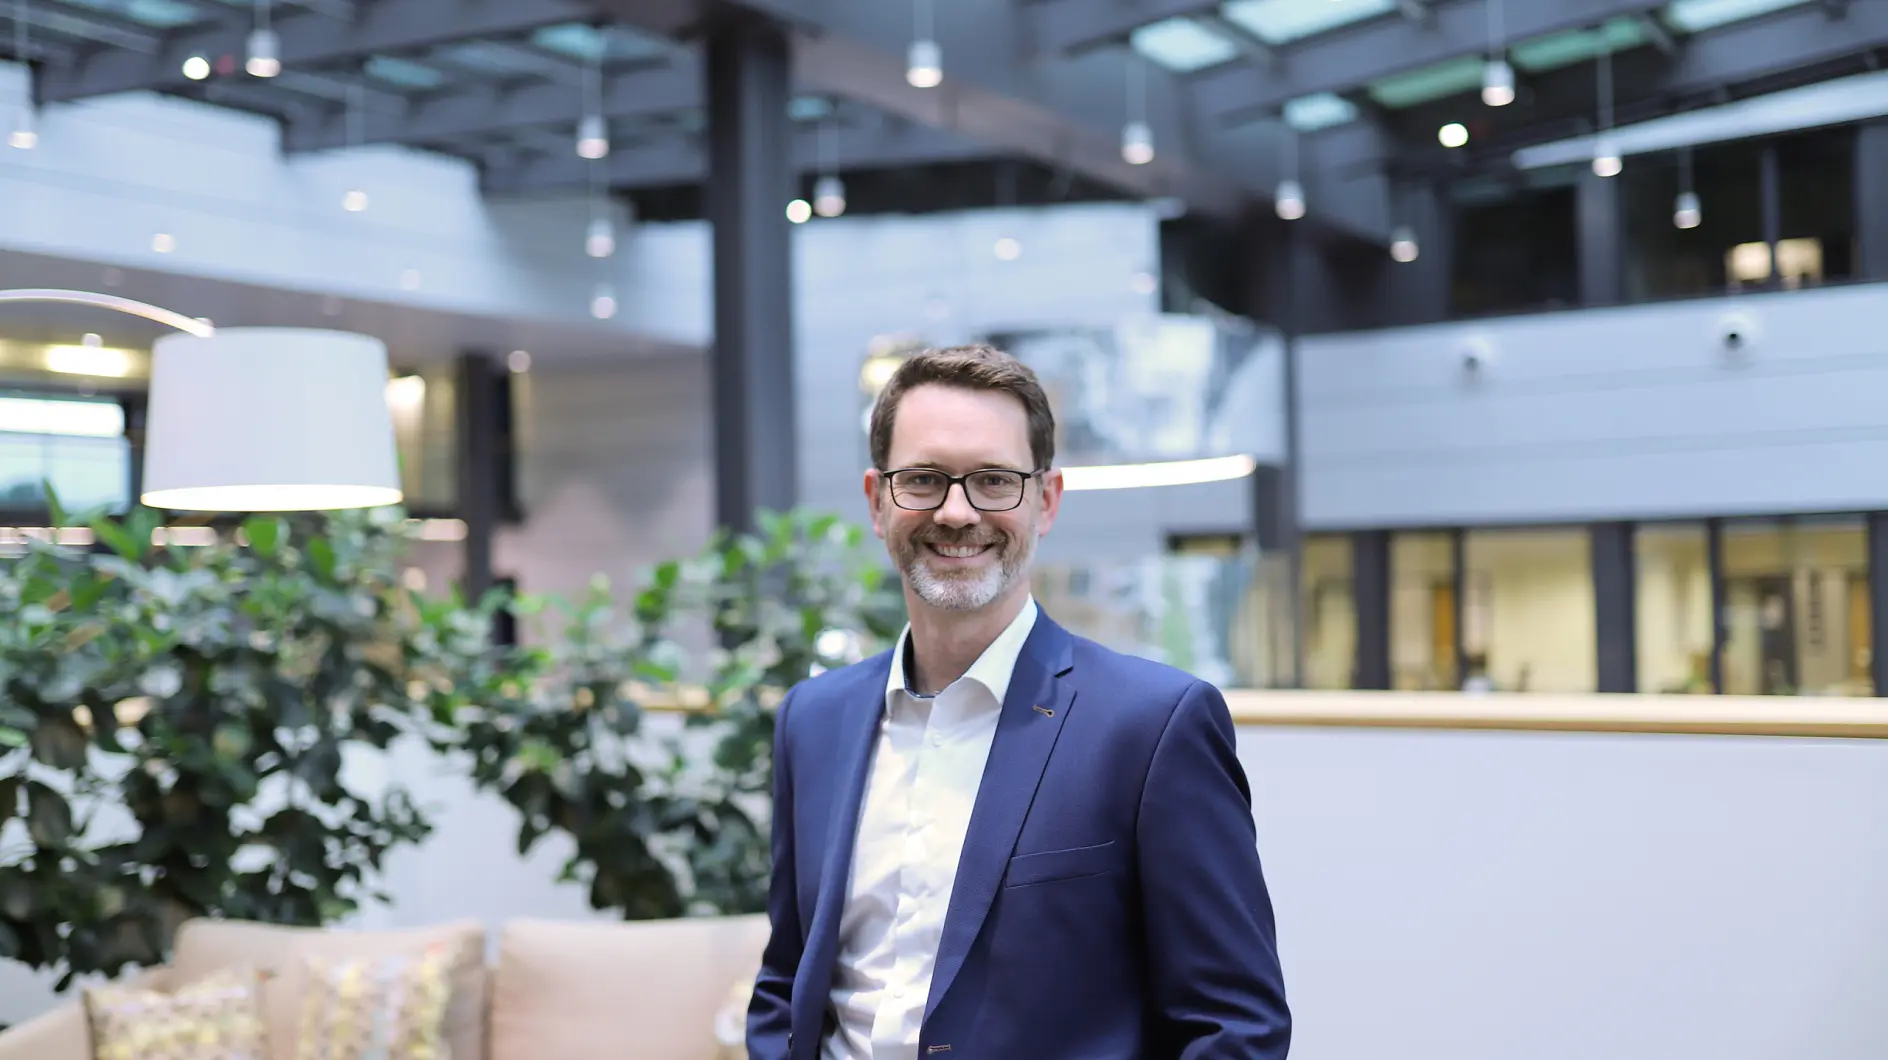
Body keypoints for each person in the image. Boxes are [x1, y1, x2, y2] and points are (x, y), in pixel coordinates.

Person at [745, 345, 1290, 1060]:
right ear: (879, 501)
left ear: (1047, 499)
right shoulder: (813, 720)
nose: (958, 510)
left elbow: (1234, 1029)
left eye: (995, 480)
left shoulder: (1152, 728)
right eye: (924, 480)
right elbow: (788, 979)